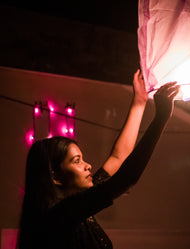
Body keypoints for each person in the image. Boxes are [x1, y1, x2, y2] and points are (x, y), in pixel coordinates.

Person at [17, 69, 180, 249]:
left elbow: (118, 158)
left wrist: (139, 103)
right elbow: (126, 178)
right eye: (76, 161)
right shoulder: (60, 216)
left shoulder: (76, 206)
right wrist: (161, 119)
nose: (88, 166)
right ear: (54, 176)